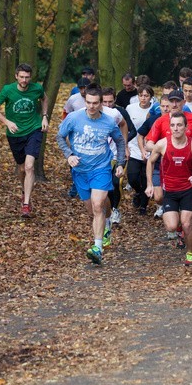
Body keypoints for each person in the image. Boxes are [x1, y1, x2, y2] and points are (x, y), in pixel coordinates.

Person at [56, 86, 126, 265]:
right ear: (84, 101)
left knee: (97, 205)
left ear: (101, 103)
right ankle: (107, 219)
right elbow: (60, 136)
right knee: (92, 210)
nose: (92, 106)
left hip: (101, 169)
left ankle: (97, 248)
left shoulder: (109, 122)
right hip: (80, 171)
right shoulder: (73, 118)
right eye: (88, 103)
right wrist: (69, 155)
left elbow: (119, 141)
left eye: (95, 103)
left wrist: (120, 163)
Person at [144, 112, 192, 266]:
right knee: (171, 226)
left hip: (187, 190)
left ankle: (190, 254)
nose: (176, 128)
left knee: (187, 224)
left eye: (179, 125)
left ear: (185, 127)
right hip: (169, 191)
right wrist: (150, 184)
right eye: (172, 125)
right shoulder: (162, 144)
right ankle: (177, 227)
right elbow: (150, 162)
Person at [0, 63, 49, 217]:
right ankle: (24, 191)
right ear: (16, 76)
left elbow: (44, 99)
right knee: (22, 168)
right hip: (15, 134)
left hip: (34, 130)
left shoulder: (36, 88)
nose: (24, 80)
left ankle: (26, 204)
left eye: (27, 77)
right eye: (21, 77)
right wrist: (7, 122)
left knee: (30, 167)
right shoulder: (8, 90)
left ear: (30, 77)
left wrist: (44, 116)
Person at [102, 87, 134, 226]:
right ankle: (107, 208)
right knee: (106, 184)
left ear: (115, 99)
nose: (108, 105)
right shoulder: (97, 113)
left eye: (110, 101)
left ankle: (115, 209)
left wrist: (124, 145)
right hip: (103, 156)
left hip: (118, 153)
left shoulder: (119, 112)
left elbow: (131, 129)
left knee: (116, 183)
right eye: (105, 102)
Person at [125, 85, 155, 215]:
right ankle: (137, 192)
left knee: (145, 177)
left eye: (146, 95)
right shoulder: (130, 108)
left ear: (151, 97)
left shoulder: (154, 110)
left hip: (150, 147)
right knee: (132, 177)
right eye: (141, 95)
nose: (143, 98)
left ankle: (144, 205)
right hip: (133, 146)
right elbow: (125, 126)